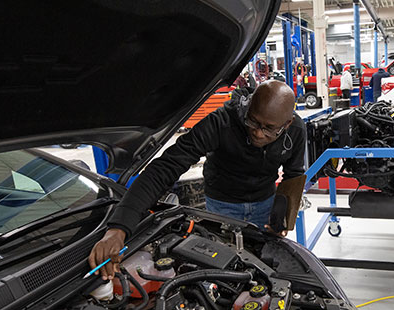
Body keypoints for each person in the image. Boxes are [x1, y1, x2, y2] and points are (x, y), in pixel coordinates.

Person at [88, 80, 306, 280]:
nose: (258, 134)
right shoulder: (221, 123)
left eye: (269, 128)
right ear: (248, 107)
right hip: (222, 206)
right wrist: (119, 227)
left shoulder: (296, 130)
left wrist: (282, 218)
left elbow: (293, 175)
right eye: (253, 122)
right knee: (221, 268)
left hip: (263, 203)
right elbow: (166, 167)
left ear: (286, 124)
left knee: (260, 267)